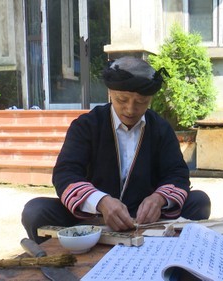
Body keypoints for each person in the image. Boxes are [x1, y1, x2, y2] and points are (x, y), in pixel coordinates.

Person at [22, 56, 211, 242]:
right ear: (110, 92)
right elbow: (66, 174)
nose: (130, 109)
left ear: (150, 99)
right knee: (35, 211)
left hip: (145, 220)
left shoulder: (160, 129)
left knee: (199, 201)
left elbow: (177, 174)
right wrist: (101, 202)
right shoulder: (86, 125)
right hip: (91, 217)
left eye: (141, 102)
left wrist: (159, 199)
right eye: (122, 100)